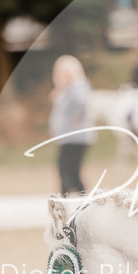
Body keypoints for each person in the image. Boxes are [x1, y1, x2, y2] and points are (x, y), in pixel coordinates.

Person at [48, 55, 95, 194]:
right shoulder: (68, 90)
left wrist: (77, 115)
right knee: (73, 173)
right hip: (69, 137)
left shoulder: (78, 87)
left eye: (67, 72)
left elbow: (81, 103)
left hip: (74, 137)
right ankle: (85, 202)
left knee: (65, 172)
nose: (65, 76)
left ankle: (64, 203)